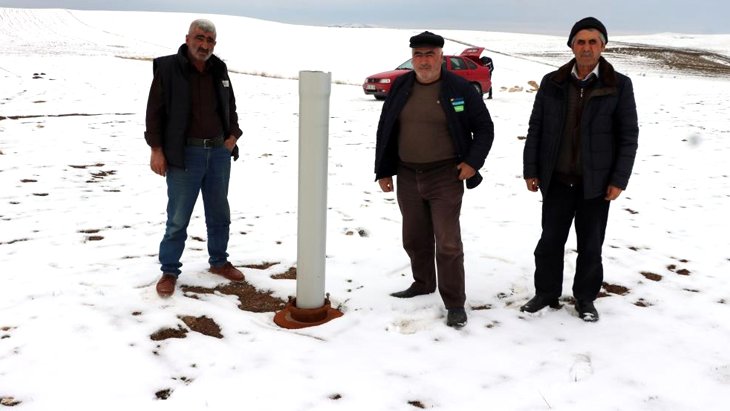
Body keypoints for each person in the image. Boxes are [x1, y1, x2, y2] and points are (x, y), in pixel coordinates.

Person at [521, 17, 639, 321]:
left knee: (590, 246)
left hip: (596, 184)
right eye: (580, 41)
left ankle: (585, 299)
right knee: (549, 242)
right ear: (571, 45)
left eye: (593, 42)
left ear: (603, 46)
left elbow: (628, 136)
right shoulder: (553, 82)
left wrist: (618, 179)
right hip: (557, 180)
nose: (586, 48)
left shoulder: (619, 85)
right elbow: (537, 128)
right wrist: (531, 169)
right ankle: (546, 293)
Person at [374, 31, 494, 327]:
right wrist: (383, 170)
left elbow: (484, 128)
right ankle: (423, 282)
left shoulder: (460, 88)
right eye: (418, 55)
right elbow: (386, 127)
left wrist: (472, 162)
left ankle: (454, 302)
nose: (424, 60)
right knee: (414, 237)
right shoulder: (401, 85)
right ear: (412, 57)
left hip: (445, 175)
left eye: (430, 54)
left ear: (441, 56)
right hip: (406, 173)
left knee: (448, 241)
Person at [144, 19, 245, 297]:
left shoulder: (218, 69)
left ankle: (219, 262)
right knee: (177, 218)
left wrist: (232, 138)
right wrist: (156, 149)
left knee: (219, 213)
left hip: (218, 153)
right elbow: (154, 112)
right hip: (184, 155)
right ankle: (169, 271)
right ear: (188, 38)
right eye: (200, 38)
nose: (204, 45)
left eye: (210, 41)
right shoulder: (168, 68)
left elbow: (230, 107)